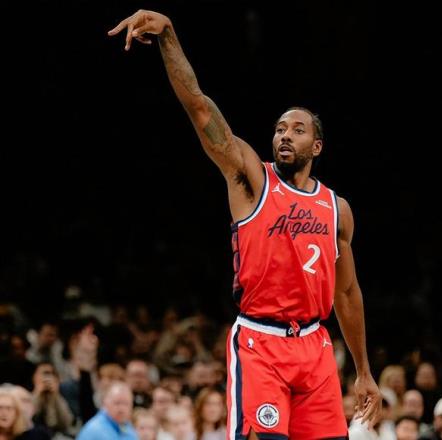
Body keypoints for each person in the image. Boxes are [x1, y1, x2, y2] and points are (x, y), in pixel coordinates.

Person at [108, 9, 381, 439]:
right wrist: (168, 37)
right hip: (261, 342)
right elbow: (199, 106)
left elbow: (346, 293)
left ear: (317, 146)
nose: (285, 135)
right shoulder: (252, 178)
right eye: (279, 129)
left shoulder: (337, 209)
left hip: (315, 346)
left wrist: (363, 370)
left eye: (297, 130)